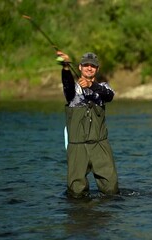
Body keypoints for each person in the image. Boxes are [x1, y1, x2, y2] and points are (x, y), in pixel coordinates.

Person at [56, 50, 119, 198]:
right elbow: (67, 85)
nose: (89, 68)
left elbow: (109, 96)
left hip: (100, 144)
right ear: (79, 67)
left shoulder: (103, 87)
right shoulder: (73, 90)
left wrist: (91, 85)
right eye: (86, 65)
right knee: (76, 193)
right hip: (78, 145)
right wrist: (65, 67)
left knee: (111, 190)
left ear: (97, 69)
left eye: (93, 66)